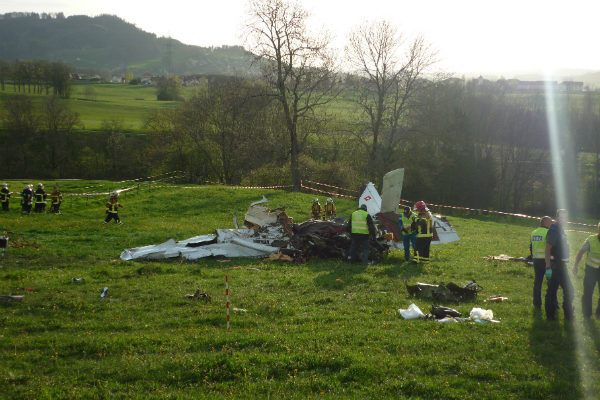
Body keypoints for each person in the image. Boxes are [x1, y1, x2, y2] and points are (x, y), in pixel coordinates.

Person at [545, 209, 574, 321]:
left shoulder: (560, 230)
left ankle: (568, 314)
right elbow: (547, 248)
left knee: (569, 290)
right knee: (552, 290)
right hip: (555, 265)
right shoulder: (554, 229)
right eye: (562, 217)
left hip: (561, 265)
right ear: (557, 218)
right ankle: (550, 316)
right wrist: (548, 266)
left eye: (566, 217)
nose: (564, 219)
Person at [572, 222, 600, 320]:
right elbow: (580, 252)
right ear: (598, 229)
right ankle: (586, 314)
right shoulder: (591, 240)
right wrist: (575, 265)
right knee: (588, 292)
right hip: (591, 270)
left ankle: (598, 314)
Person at [530, 216, 553, 310]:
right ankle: (551, 303)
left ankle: (536, 303)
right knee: (551, 282)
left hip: (536, 260)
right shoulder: (548, 232)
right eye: (550, 222)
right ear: (546, 223)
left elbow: (531, 246)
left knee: (537, 282)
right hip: (546, 261)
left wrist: (533, 256)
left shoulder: (534, 232)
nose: (551, 224)